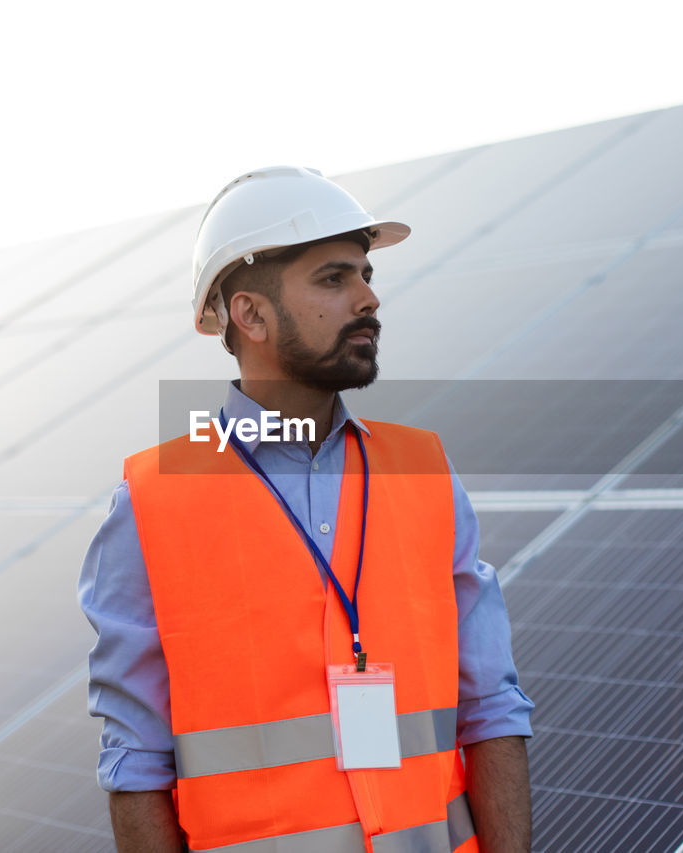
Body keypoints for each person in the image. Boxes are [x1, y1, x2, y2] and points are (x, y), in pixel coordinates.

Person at [79, 166, 533, 852]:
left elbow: (492, 708)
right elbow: (136, 764)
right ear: (250, 314)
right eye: (333, 279)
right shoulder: (152, 502)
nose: (368, 298)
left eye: (366, 273)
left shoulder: (422, 471)